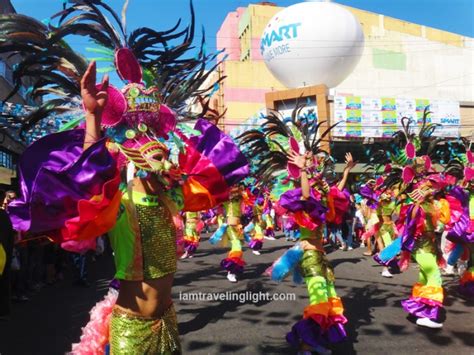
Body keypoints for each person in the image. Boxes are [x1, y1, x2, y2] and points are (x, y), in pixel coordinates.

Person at [0, 190, 15, 320]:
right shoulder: (4, 216)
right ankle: (4, 310)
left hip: (3, 255)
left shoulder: (3, 216)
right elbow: (11, 238)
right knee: (4, 283)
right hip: (5, 255)